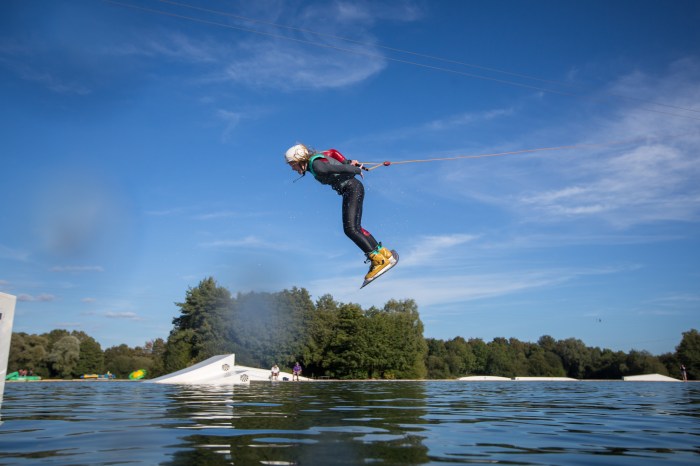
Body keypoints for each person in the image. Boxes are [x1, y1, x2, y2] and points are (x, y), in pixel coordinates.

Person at [284, 144, 397, 285]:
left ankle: (379, 261)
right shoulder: (316, 160)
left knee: (350, 229)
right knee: (356, 228)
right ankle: (385, 254)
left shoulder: (316, 166)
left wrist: (354, 169)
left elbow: (337, 169)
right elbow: (332, 152)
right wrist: (346, 161)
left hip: (352, 189)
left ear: (299, 159)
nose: (292, 168)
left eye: (292, 164)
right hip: (352, 189)